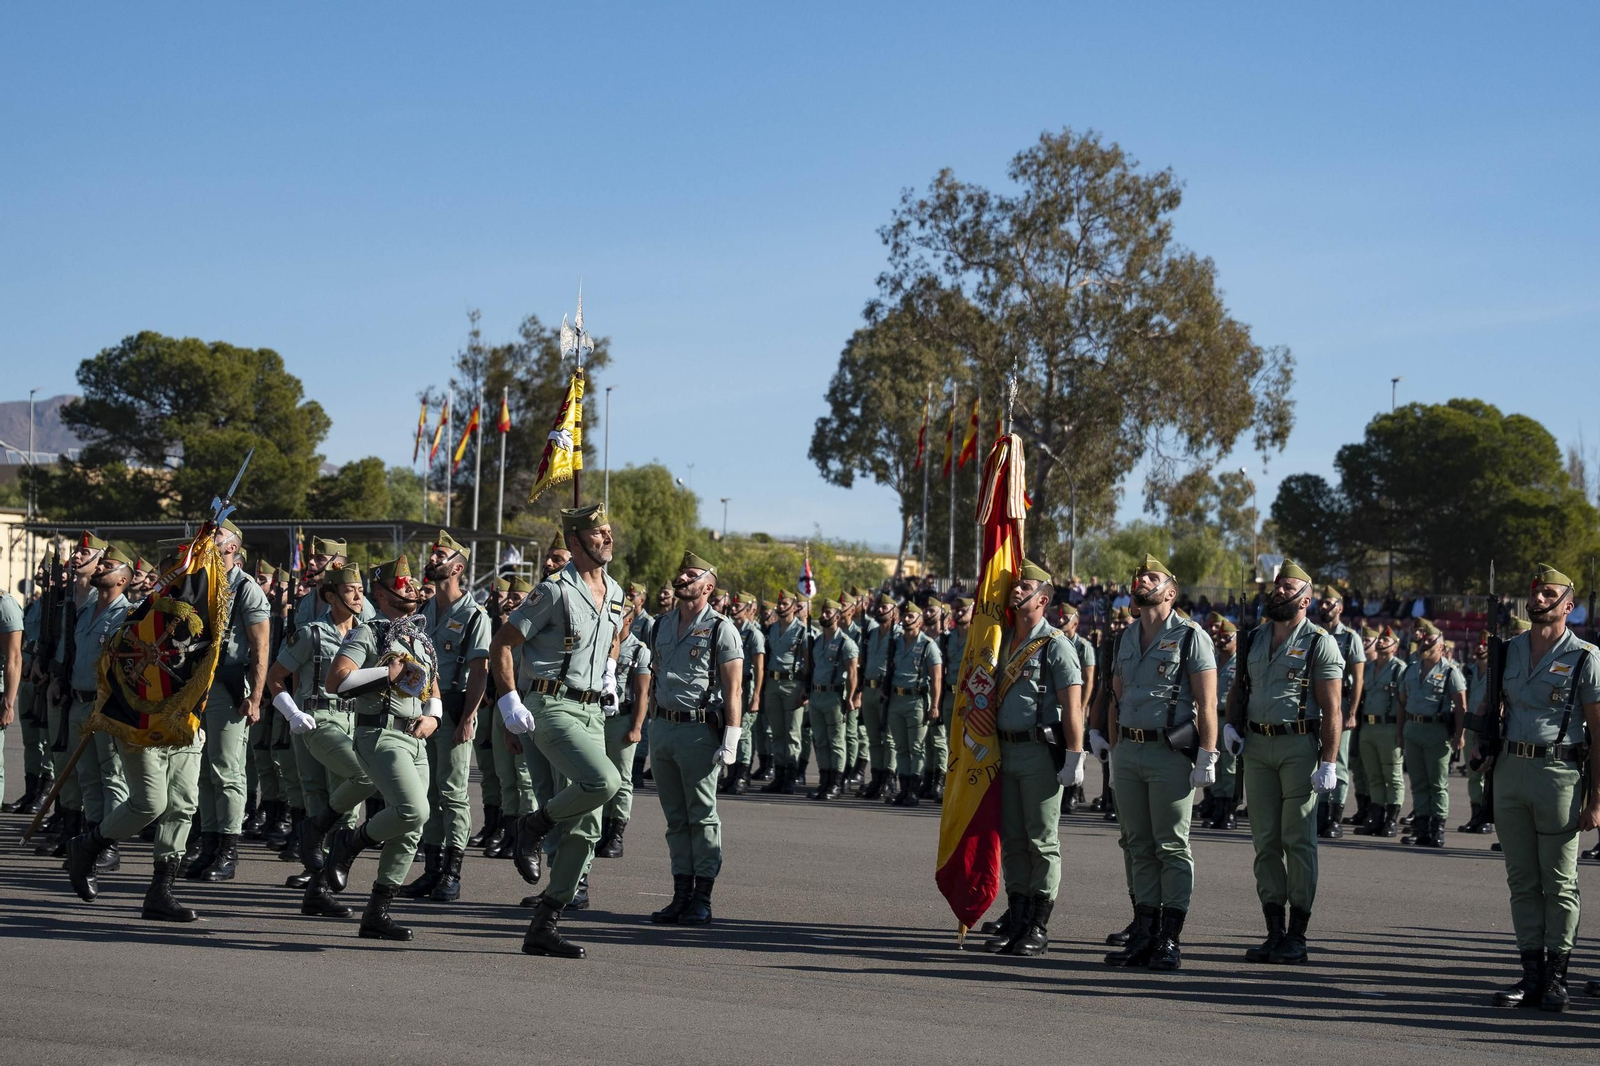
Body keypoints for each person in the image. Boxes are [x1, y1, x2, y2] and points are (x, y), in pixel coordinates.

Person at [492, 503, 626, 959]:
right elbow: (503, 643)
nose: (607, 538)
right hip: (550, 705)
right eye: (597, 533)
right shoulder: (552, 591)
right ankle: (532, 825)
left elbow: (610, 639)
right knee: (604, 782)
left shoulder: (617, 591)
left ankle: (545, 923)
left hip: (592, 712)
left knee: (587, 829)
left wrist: (609, 671)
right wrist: (509, 699)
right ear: (575, 542)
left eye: (608, 531)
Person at [64, 543, 204, 921]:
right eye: (181, 573)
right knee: (149, 803)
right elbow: (116, 666)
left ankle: (161, 891)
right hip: (141, 723)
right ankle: (89, 846)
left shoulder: (209, 615)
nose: (190, 582)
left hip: (186, 720)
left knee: (183, 805)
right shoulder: (139, 619)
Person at [1482, 565, 1600, 1012]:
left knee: (1560, 881)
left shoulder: (1586, 657)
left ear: (1568, 605)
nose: (1537, 600)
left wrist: (1597, 799)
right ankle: (1530, 974)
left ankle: (1556, 977)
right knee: (1522, 880)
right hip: (1511, 771)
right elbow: (1490, 709)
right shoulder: (1506, 651)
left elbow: (1599, 734)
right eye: (1533, 593)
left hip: (1560, 776)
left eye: (1548, 593)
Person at [1223, 560, 1343, 965]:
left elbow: (1333, 708)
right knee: (1265, 843)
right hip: (1257, 747)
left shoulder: (1318, 642)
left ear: (1305, 599)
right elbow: (1239, 688)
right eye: (1276, 585)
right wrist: (1230, 725)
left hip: (1298, 748)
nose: (1277, 591)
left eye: (1287, 587)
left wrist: (1329, 762)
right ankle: (1274, 930)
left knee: (1298, 841)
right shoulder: (1253, 638)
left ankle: (1297, 934)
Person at [1101, 554, 1217, 971]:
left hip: (1170, 753)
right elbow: (1115, 698)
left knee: (1171, 845)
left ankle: (1170, 940)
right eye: (1139, 576)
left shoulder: (1190, 636)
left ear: (1170, 591)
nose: (1141, 580)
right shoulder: (1126, 637)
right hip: (1129, 752)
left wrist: (1208, 753)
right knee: (1137, 845)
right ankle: (1144, 933)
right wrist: (1113, 752)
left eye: (1151, 576)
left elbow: (1207, 703)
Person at [323, 554, 443, 942]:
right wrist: (383, 674)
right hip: (380, 733)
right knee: (413, 810)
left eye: (411, 583)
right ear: (382, 591)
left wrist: (434, 717)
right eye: (402, 583)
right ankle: (350, 842)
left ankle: (377, 912)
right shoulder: (369, 633)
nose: (411, 587)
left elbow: (432, 685)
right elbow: (336, 680)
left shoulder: (417, 637)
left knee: (411, 828)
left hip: (415, 738)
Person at [981, 560, 1084, 957]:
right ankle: (1018, 916)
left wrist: (1074, 757)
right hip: (1004, 750)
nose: (1016, 589)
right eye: (1016, 585)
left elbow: (1071, 707)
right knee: (1013, 840)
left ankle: (1039, 924)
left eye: (1024, 586)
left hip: (1040, 753)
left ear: (1042, 599)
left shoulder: (1056, 643)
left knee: (1041, 840)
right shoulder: (1001, 639)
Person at [271, 563, 375, 919]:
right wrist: (291, 712)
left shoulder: (369, 634)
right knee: (342, 784)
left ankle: (319, 888)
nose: (359, 596)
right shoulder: (311, 634)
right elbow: (275, 679)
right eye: (350, 591)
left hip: (355, 718)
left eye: (361, 589)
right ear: (331, 597)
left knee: (339, 798)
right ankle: (319, 862)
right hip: (316, 718)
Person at [645, 550, 744, 924]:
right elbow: (655, 678)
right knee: (675, 819)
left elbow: (734, 689)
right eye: (681, 572)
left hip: (699, 731)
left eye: (691, 574)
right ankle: (680, 894)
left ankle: (703, 898)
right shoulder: (661, 625)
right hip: (664, 728)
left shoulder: (722, 628)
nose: (682, 578)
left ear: (709, 585)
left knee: (701, 816)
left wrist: (731, 739)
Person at [186, 521, 270, 883]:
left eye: (216, 537)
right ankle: (208, 842)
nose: (209, 541)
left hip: (229, 684)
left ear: (233, 547)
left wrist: (256, 697)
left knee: (227, 770)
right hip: (197, 685)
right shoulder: (199, 581)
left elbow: (261, 646)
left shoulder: (246, 588)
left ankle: (228, 849)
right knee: (203, 771)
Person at [54, 543, 136, 875]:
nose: (100, 568)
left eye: (109, 565)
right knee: (87, 776)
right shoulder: (86, 611)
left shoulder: (130, 615)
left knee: (112, 776)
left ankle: (109, 845)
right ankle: (91, 840)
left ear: (123, 579)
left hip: (108, 708)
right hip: (78, 702)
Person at [1396, 619, 1465, 849]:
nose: (1424, 645)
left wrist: (1459, 735)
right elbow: (1402, 704)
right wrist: (1400, 733)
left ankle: (1437, 828)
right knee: (1418, 782)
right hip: (1413, 730)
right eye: (1422, 641)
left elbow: (1461, 707)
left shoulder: (1450, 672)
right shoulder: (1410, 669)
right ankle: (1421, 828)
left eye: (1429, 641)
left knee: (1437, 783)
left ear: (1441, 646)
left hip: (1437, 731)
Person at [595, 597, 651, 858]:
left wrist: (637, 727)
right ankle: (600, 831)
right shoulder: (601, 644)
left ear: (628, 620)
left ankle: (616, 834)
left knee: (622, 779)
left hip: (622, 720)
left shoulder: (639, 650)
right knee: (600, 776)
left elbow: (642, 694)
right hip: (596, 717)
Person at [1316, 587, 1365, 839]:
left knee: (1339, 761)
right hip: (1317, 704)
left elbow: (1358, 680)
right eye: (1321, 603)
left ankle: (1334, 817)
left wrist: (1352, 712)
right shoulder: (1316, 634)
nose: (1323, 607)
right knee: (1317, 759)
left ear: (1340, 607)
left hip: (1341, 705)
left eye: (1328, 603)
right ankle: (1320, 813)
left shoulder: (1350, 638)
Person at [883, 602, 943, 807]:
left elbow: (936, 678)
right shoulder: (895, 643)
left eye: (911, 617)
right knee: (901, 747)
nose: (906, 619)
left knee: (916, 748)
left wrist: (934, 705)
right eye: (905, 616)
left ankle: (913, 791)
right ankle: (904, 787)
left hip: (917, 700)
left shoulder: (928, 645)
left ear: (920, 622)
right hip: (896, 699)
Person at [1355, 626, 1407, 838]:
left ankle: (1391, 819)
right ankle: (1376, 817)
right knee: (1373, 775)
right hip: (1368, 727)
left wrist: (1401, 731)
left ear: (1395, 647)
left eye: (1387, 641)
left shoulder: (1399, 669)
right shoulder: (1368, 668)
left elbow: (1404, 703)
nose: (1381, 642)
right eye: (1381, 640)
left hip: (1389, 727)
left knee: (1392, 776)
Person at [806, 599, 858, 801]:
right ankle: (824, 781)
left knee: (836, 741)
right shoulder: (818, 641)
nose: (824, 615)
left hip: (834, 696)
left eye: (829, 613)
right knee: (820, 741)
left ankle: (836, 783)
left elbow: (852, 673)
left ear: (837, 616)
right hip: (817, 695)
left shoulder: (846, 643)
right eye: (823, 612)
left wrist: (851, 698)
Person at [759, 589, 810, 795]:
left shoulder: (802, 631)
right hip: (772, 683)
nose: (780, 607)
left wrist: (806, 688)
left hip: (792, 684)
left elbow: (807, 662)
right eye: (779, 604)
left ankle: (790, 776)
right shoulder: (771, 629)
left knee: (792, 734)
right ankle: (779, 775)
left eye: (784, 604)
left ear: (795, 607)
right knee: (776, 732)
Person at [856, 594, 901, 800]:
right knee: (873, 737)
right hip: (869, 689)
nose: (881, 610)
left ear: (895, 613)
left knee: (889, 738)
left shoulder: (899, 635)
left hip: (886, 691)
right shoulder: (872, 633)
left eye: (886, 608)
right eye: (880, 607)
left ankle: (889, 779)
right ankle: (876, 777)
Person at [1205, 614, 1241, 829]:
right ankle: (1217, 807)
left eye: (1227, 637)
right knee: (1215, 764)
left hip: (1230, 719)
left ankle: (1229, 811)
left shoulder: (1240, 663)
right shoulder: (1214, 662)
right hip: (1212, 717)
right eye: (1220, 637)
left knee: (1230, 767)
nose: (1222, 641)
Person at [1458, 633, 1495, 834]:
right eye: (1478, 645)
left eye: (1484, 645)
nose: (1480, 648)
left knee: (1488, 775)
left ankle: (1488, 817)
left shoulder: (1495, 672)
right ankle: (1476, 815)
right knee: (1473, 775)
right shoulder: (1468, 672)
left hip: (1487, 730)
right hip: (1471, 728)